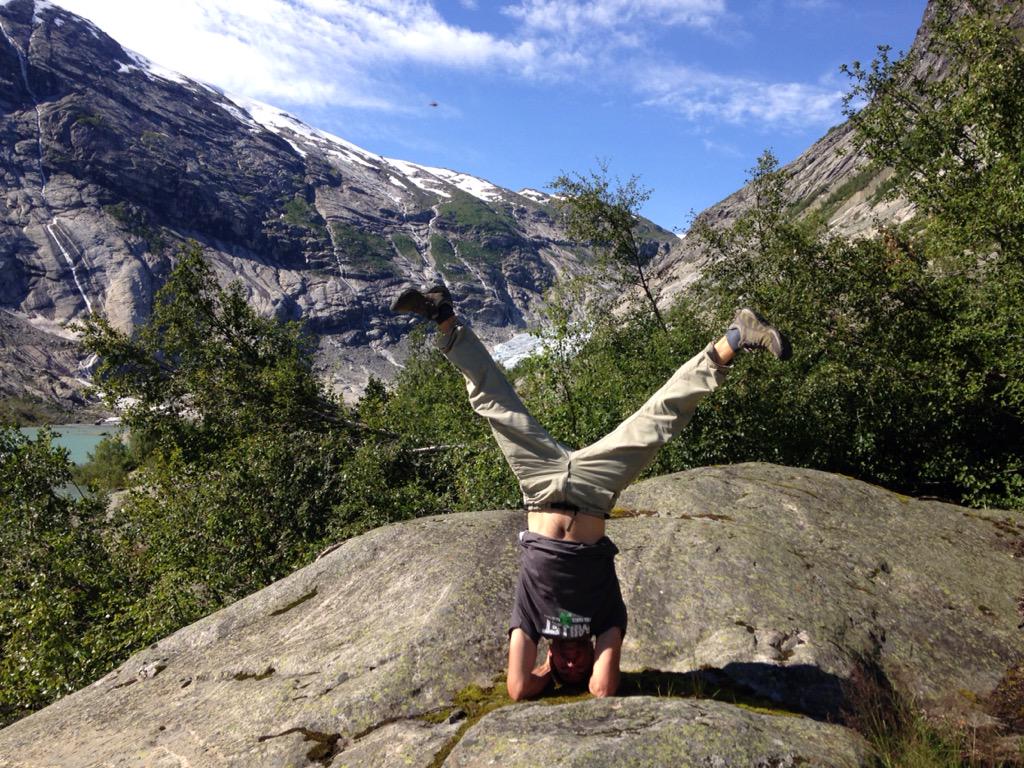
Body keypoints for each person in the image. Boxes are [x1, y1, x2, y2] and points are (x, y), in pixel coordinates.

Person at [391, 285, 790, 700]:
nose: (571, 662)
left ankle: (442, 316)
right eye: (577, 665)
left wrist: (545, 672)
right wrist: (589, 664)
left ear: (548, 654)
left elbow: (517, 688)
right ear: (592, 651)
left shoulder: (530, 619)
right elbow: (601, 689)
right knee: (657, 420)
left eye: (563, 666)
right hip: (594, 493)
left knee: (495, 402)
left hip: (539, 484)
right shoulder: (605, 619)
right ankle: (737, 336)